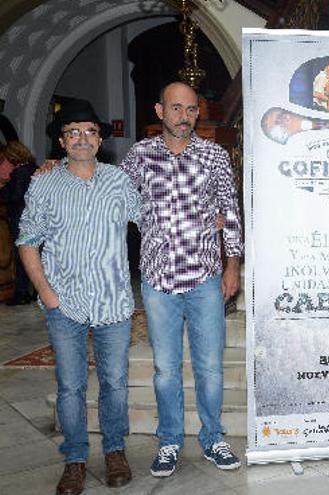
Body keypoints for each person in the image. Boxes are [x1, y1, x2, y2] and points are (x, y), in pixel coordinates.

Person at [120, 81, 243, 477]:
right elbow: (112, 198)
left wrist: (232, 265)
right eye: (176, 108)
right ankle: (170, 441)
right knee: (165, 370)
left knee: (210, 367)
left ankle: (213, 438)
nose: (184, 117)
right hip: (158, 280)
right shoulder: (139, 156)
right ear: (159, 111)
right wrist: (60, 166)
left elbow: (230, 210)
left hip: (205, 278)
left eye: (191, 110)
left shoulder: (214, 155)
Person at [17, 100, 140, 495]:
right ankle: (74, 459)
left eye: (89, 131)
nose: (82, 139)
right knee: (70, 386)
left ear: (100, 138)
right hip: (64, 304)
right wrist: (48, 295)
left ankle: (115, 450)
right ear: (62, 140)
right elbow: (27, 241)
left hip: (113, 302)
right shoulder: (44, 182)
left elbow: (153, 221)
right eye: (73, 132)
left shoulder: (119, 181)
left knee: (115, 382)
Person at [0, 140, 38, 305]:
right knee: (34, 255)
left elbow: (14, 197)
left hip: (20, 217)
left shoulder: (20, 172)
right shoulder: (32, 169)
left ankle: (22, 293)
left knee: (21, 256)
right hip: (33, 217)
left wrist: (2, 188)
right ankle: (36, 292)